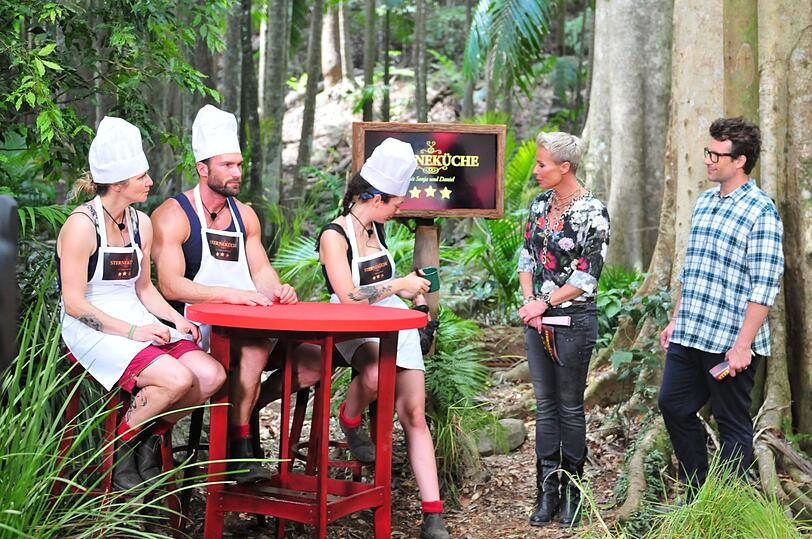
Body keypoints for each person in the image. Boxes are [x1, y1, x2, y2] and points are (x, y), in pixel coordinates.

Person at [151, 105, 321, 483]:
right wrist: (229, 295)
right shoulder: (173, 214)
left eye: (239, 164)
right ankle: (238, 445)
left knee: (310, 359)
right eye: (227, 165)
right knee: (255, 350)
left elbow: (260, 272)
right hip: (192, 327)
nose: (237, 173)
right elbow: (170, 285)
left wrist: (279, 289)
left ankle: (237, 422)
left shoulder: (245, 215)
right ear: (202, 168)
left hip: (245, 322)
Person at [58, 116, 226, 490]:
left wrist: (174, 320)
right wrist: (136, 331)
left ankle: (148, 438)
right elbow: (73, 303)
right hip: (90, 326)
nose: (150, 182)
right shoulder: (81, 226)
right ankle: (119, 450)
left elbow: (145, 288)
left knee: (211, 375)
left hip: (136, 316)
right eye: (142, 176)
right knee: (177, 378)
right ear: (118, 183)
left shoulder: (140, 223)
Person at [316, 138, 450, 539]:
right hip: (354, 326)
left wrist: (415, 297)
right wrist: (398, 284)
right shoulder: (334, 236)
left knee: (414, 414)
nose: (399, 209)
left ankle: (433, 514)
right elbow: (349, 296)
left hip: (394, 323)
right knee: (375, 375)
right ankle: (350, 416)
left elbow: (389, 288)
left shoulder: (377, 227)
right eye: (395, 203)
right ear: (375, 198)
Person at [658, 117, 783, 499]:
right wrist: (675, 319)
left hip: (729, 342)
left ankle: (726, 504)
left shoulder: (761, 212)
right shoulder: (705, 202)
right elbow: (691, 268)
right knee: (673, 404)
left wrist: (743, 345)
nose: (708, 160)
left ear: (740, 160)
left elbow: (764, 286)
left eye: (717, 155)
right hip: (690, 331)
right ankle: (698, 494)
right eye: (708, 152)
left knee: (732, 423)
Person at [517, 131, 610, 527]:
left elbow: (587, 275)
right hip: (536, 321)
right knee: (544, 407)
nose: (536, 171)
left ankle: (574, 493)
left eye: (542, 164)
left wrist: (546, 302)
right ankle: (546, 493)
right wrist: (530, 304)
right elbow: (526, 258)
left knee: (570, 407)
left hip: (574, 323)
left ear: (565, 167)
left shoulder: (593, 211)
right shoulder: (540, 205)